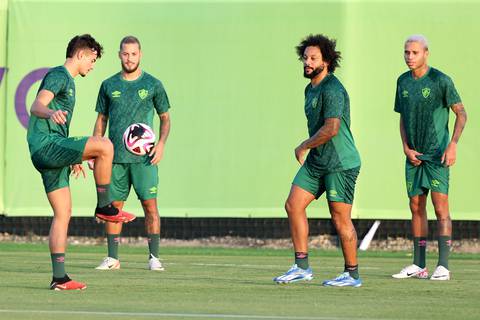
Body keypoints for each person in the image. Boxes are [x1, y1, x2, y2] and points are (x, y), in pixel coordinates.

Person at [27, 34, 136, 291]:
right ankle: (105, 206)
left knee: (63, 213)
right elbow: (36, 105)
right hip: (46, 146)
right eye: (93, 59)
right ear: (81, 54)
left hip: (50, 150)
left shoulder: (70, 82)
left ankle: (59, 278)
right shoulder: (60, 75)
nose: (92, 65)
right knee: (105, 145)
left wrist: (74, 157)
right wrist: (51, 112)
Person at [273, 34, 362, 287]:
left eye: (313, 58)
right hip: (318, 161)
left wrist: (304, 145)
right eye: (305, 57)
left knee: (339, 218)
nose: (307, 62)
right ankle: (301, 267)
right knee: (293, 205)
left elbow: (332, 128)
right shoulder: (309, 88)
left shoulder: (333, 88)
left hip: (340, 163)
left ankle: (352, 274)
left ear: (327, 61)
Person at [91, 36, 171, 271]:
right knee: (113, 209)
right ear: (119, 55)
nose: (129, 58)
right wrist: (95, 150)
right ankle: (113, 258)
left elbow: (165, 118)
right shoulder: (108, 85)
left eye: (133, 54)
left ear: (140, 55)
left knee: (150, 206)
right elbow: (101, 119)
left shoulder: (153, 84)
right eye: (125, 54)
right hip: (114, 160)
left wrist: (162, 143)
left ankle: (154, 257)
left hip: (144, 159)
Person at [392, 35, 467, 281]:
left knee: (440, 208)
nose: (409, 57)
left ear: (426, 53)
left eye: (414, 52)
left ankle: (443, 266)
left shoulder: (440, 80)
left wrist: (453, 145)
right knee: (416, 207)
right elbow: (402, 117)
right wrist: (405, 147)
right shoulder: (402, 81)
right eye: (406, 52)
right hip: (413, 156)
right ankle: (418, 264)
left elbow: (461, 114)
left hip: (437, 156)